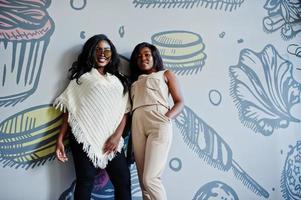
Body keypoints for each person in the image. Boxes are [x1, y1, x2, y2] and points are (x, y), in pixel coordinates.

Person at [54, 34, 132, 200]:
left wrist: (117, 137)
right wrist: (60, 139)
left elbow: (124, 112)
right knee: (85, 181)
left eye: (106, 50)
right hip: (83, 138)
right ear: (91, 53)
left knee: (123, 181)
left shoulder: (119, 80)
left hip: (113, 140)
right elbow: (70, 111)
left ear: (112, 54)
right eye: (97, 49)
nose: (102, 53)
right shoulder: (81, 79)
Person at [129, 42, 184, 200]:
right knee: (143, 184)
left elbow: (180, 102)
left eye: (147, 54)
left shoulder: (165, 74)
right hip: (137, 124)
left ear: (154, 56)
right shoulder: (134, 81)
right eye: (139, 56)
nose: (143, 58)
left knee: (151, 179)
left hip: (158, 122)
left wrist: (165, 118)